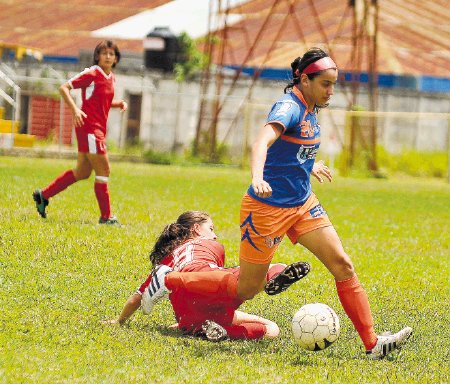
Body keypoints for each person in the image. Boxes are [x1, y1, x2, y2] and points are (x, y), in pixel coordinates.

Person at [144, 48, 412, 359]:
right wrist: (257, 176)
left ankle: (372, 344)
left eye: (333, 84)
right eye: (325, 83)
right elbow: (262, 142)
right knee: (247, 288)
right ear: (304, 79)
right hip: (266, 209)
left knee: (343, 265)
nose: (331, 91)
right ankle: (168, 279)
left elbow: (292, 149)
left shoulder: (312, 107)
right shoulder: (289, 106)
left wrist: (309, 164)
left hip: (302, 204)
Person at [107, 211, 310, 341]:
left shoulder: (167, 260)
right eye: (211, 229)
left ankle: (217, 332)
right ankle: (272, 276)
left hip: (188, 315)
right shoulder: (208, 245)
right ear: (196, 229)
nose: (214, 235)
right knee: (261, 278)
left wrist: (120, 320)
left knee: (272, 328)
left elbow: (136, 298)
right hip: (202, 284)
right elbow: (209, 278)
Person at [33, 40, 128, 225]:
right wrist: (75, 110)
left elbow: (102, 102)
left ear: (116, 58)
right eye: (104, 53)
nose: (108, 56)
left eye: (111, 53)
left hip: (95, 128)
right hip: (90, 128)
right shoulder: (92, 73)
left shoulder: (111, 77)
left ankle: (43, 195)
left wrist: (118, 104)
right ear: (98, 56)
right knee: (104, 170)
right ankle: (106, 217)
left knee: (83, 172)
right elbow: (64, 88)